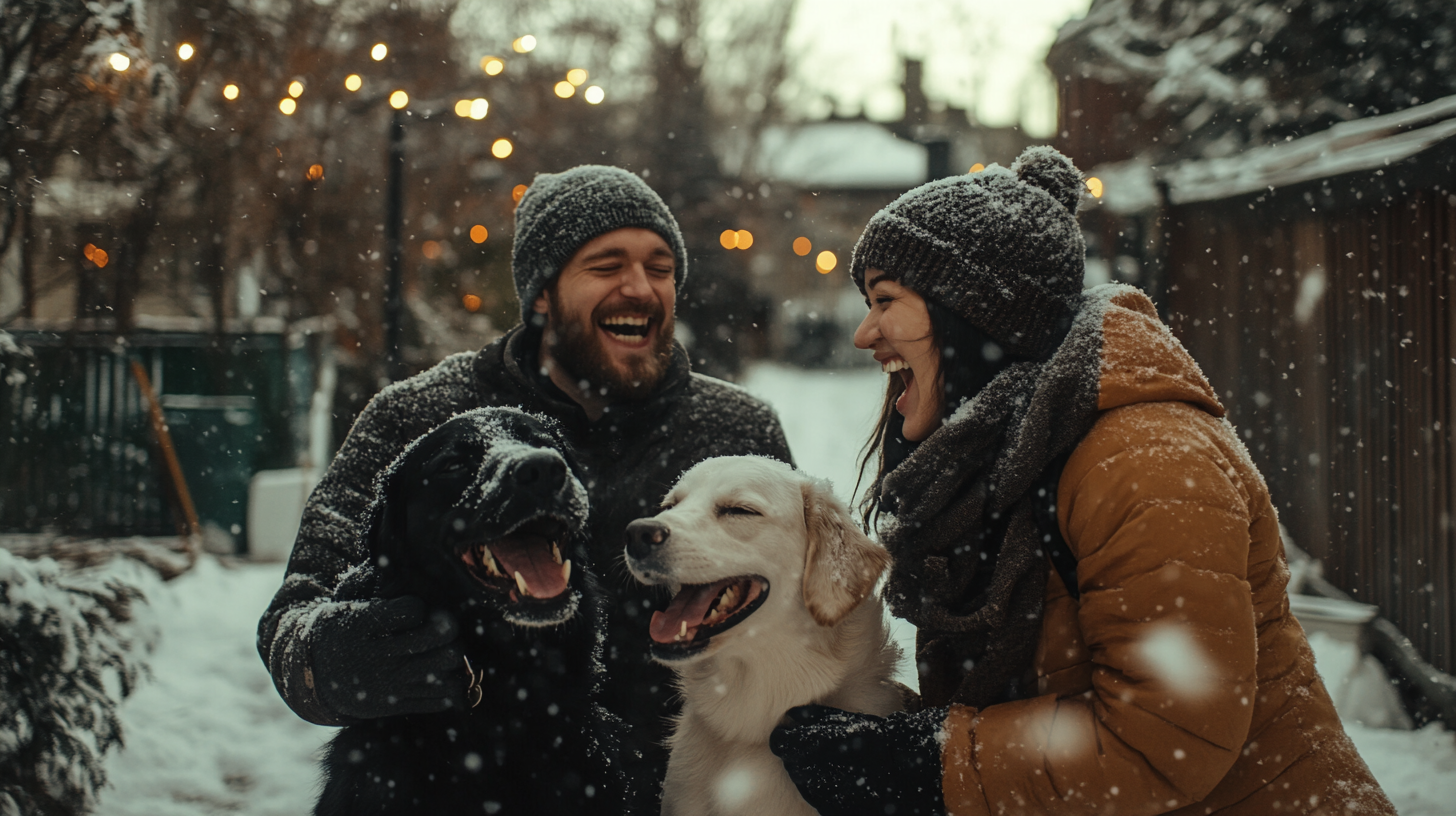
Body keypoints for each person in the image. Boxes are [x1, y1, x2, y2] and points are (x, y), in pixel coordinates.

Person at [769, 146, 1395, 816]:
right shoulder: (995, 462)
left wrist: (926, 760)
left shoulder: (1146, 461)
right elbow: (1028, 696)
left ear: (976, 312)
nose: (866, 333)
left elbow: (1168, 737)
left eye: (886, 300)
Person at [257, 165, 792, 808]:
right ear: (542, 295)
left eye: (660, 267)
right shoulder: (418, 419)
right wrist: (343, 660)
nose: (640, 289)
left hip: (690, 793)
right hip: (455, 790)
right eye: (606, 266)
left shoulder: (734, 429)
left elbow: (793, 609)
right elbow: (296, 618)